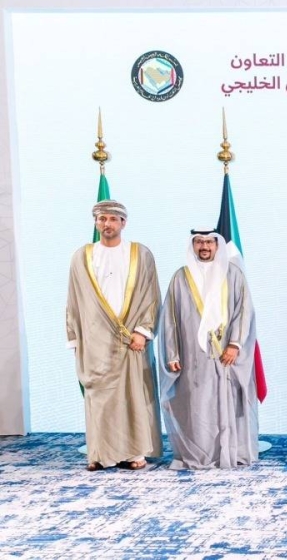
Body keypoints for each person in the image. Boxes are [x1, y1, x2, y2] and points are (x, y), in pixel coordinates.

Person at [66, 200, 162, 471]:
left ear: (123, 222)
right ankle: (100, 454)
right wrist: (75, 338)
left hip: (132, 337)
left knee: (133, 394)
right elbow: (74, 300)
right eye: (101, 219)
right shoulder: (82, 257)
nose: (106, 224)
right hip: (95, 339)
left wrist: (143, 330)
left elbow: (151, 295)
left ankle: (135, 452)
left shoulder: (140, 254)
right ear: (95, 223)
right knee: (99, 395)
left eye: (112, 219)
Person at [158, 229, 258, 469]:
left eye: (209, 242)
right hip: (192, 354)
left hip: (226, 353)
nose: (204, 246)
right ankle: (201, 455)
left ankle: (229, 452)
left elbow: (244, 310)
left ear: (217, 244)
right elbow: (170, 318)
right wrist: (172, 353)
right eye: (199, 242)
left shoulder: (233, 273)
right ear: (192, 245)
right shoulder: (180, 277)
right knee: (197, 404)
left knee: (225, 401)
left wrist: (235, 344)